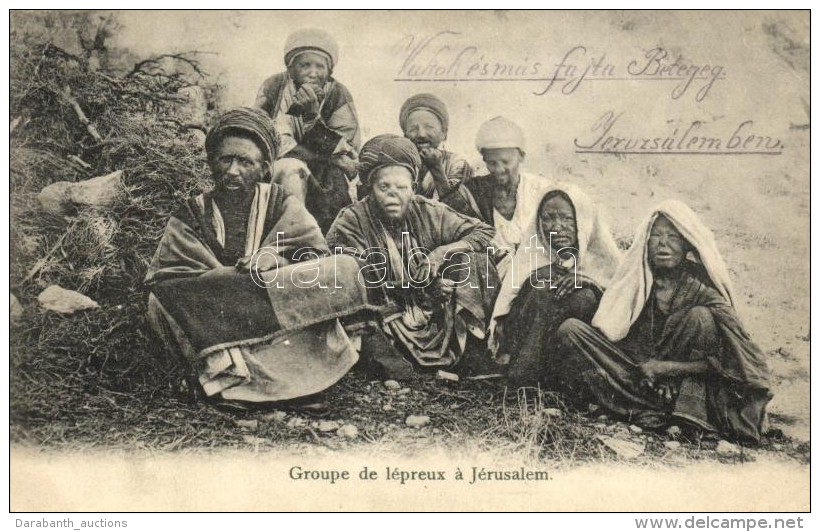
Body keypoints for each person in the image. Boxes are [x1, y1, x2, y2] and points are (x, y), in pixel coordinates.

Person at [144, 107, 372, 411]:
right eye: (225, 159)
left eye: (245, 162)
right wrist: (228, 278)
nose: (233, 171)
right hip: (216, 303)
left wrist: (276, 258)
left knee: (344, 269)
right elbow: (168, 274)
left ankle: (296, 383)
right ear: (211, 163)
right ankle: (232, 382)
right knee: (162, 297)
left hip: (272, 292)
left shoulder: (281, 202)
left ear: (265, 168)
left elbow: (314, 253)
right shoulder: (191, 212)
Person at [554, 200, 772, 444]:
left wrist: (667, 369)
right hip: (637, 372)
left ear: (687, 244)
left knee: (700, 317)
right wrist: (594, 285)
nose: (663, 244)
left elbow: (731, 362)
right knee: (571, 330)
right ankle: (649, 409)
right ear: (645, 244)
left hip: (683, 385)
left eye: (673, 237)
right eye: (656, 236)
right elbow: (613, 326)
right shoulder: (638, 279)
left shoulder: (704, 290)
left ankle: (664, 411)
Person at [326, 134, 500, 378]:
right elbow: (353, 278)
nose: (393, 195)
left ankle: (472, 350)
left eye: (402, 188)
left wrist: (440, 254)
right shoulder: (351, 220)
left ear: (414, 189)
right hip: (384, 312)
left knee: (475, 256)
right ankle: (385, 360)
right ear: (368, 188)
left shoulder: (427, 210)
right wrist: (424, 287)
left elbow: (484, 232)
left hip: (431, 310)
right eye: (383, 187)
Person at [489, 184, 622, 388]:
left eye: (567, 218)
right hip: (530, 341)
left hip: (578, 349)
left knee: (585, 297)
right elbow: (508, 306)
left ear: (582, 221)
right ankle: (526, 372)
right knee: (543, 283)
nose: (556, 226)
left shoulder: (603, 257)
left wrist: (589, 283)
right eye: (548, 217)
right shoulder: (533, 254)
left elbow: (619, 307)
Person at [254, 28, 360, 233]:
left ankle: (327, 239)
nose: (313, 72)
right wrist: (327, 156)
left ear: (329, 70)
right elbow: (259, 131)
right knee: (291, 169)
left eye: (320, 66)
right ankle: (291, 237)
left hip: (325, 175)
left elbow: (347, 151)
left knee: (335, 182)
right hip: (278, 166)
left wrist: (313, 117)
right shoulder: (274, 87)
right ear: (291, 68)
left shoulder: (338, 94)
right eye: (305, 65)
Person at [442, 116, 550, 257]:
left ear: (521, 156)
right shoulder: (472, 192)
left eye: (505, 162)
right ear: (484, 160)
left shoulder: (540, 190)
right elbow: (447, 220)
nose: (499, 169)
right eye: (492, 163)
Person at [398, 93, 473, 200]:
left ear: (443, 132)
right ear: (405, 135)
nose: (421, 134)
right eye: (413, 129)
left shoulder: (456, 164)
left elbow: (459, 209)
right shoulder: (399, 165)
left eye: (429, 127)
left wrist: (436, 168)